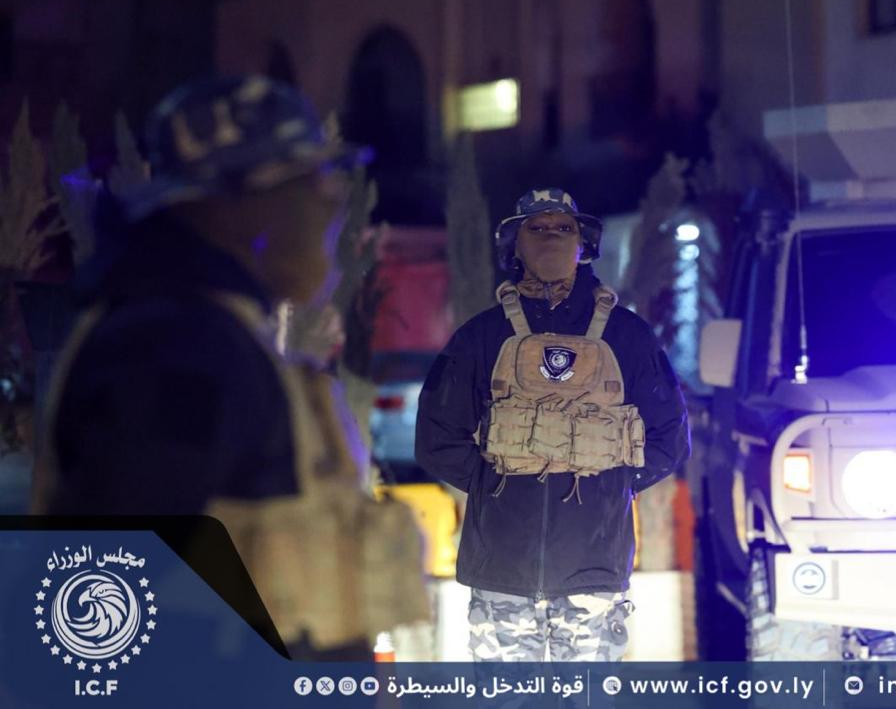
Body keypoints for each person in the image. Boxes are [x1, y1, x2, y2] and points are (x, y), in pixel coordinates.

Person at [30, 75, 427, 658]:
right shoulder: (177, 348)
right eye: (313, 181)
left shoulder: (212, 332)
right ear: (245, 204)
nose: (332, 203)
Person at [416, 188, 690, 662]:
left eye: (563, 228)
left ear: (583, 244)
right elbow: (436, 437)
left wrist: (614, 483)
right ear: (515, 244)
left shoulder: (627, 335)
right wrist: (493, 484)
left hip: (593, 570)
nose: (551, 238)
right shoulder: (482, 336)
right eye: (537, 228)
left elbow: (670, 436)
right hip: (502, 569)